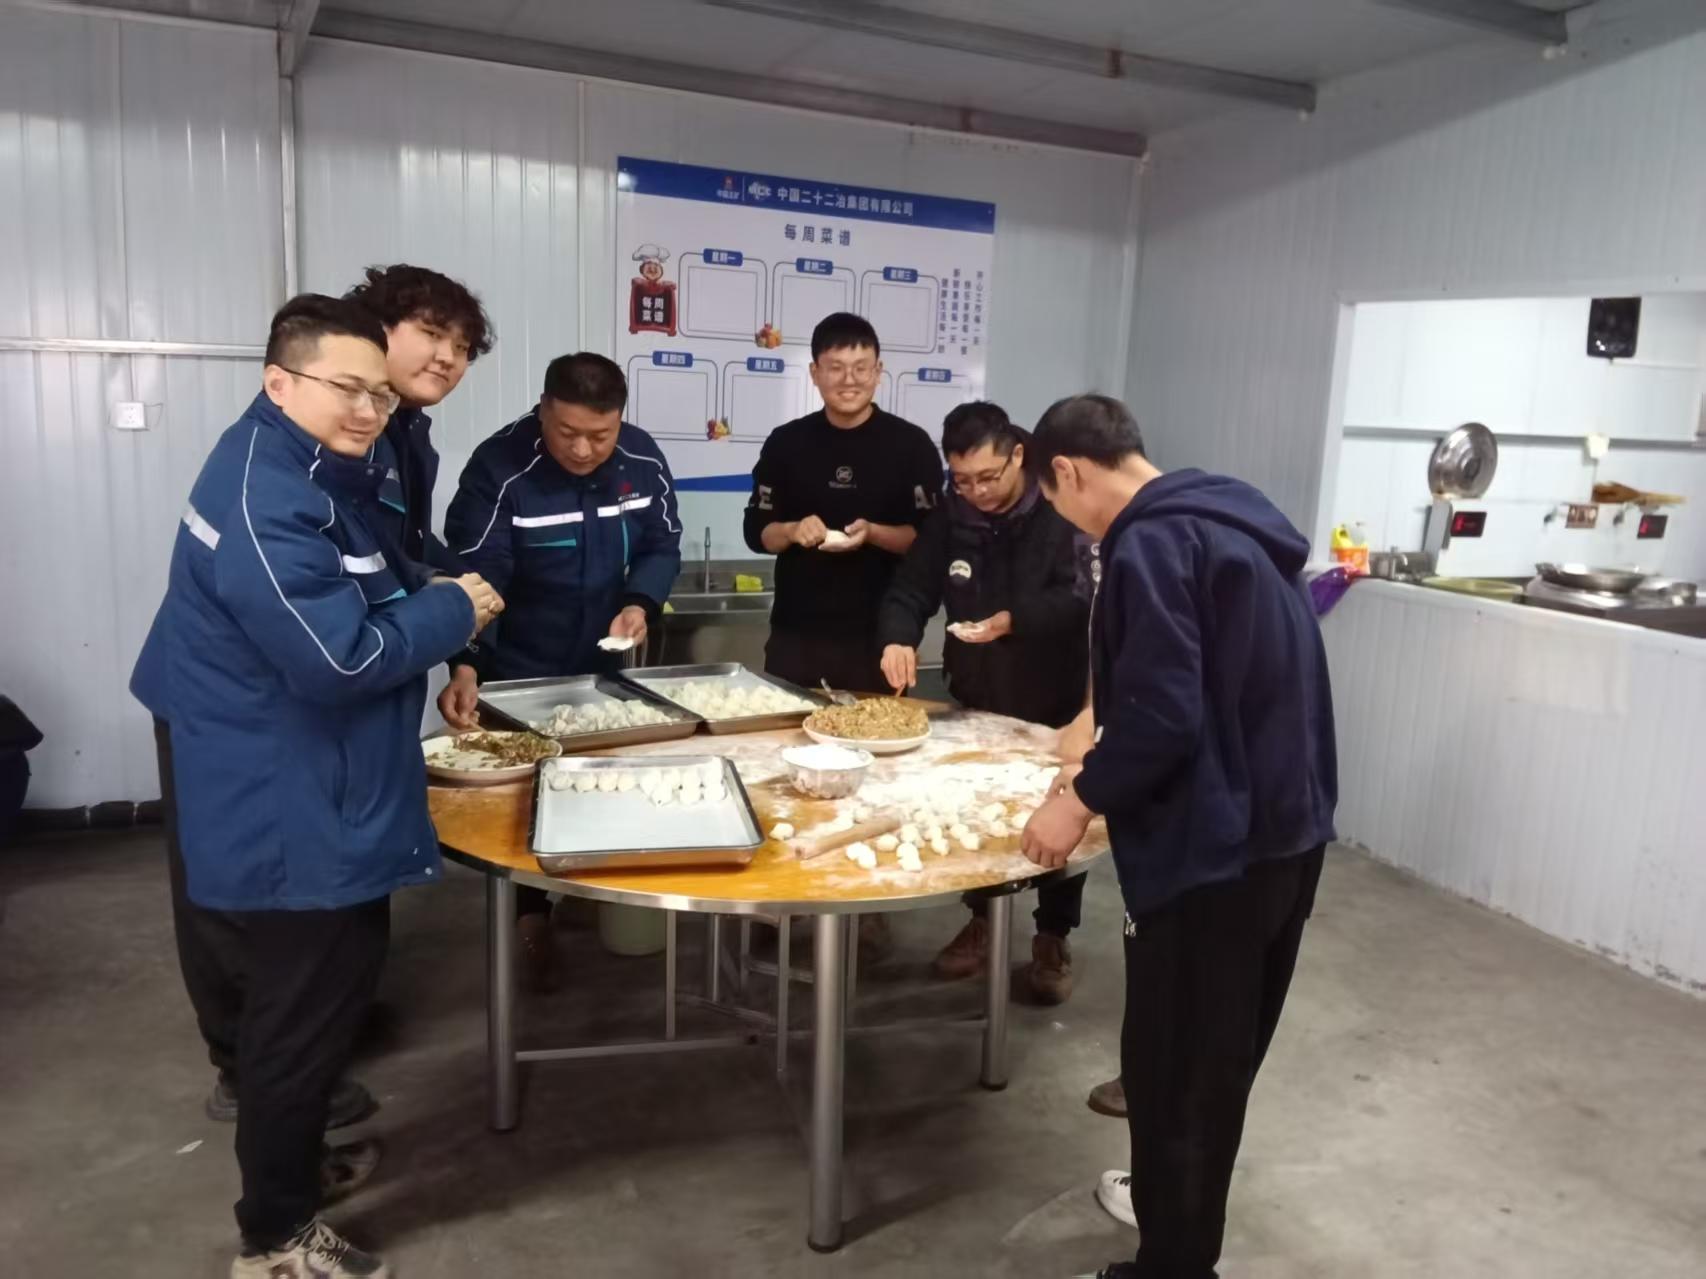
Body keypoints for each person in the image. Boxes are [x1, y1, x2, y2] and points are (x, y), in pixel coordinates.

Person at [131, 295, 503, 1278]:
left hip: (313, 772)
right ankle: (276, 1240)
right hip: (288, 791)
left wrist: (438, 598)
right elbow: (338, 659)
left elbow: (375, 566)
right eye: (348, 388)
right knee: (299, 1015)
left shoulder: (311, 464)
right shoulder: (270, 497)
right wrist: (453, 613)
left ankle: (291, 1171)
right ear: (279, 380)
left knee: (319, 1000)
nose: (368, 409)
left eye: (379, 394)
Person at [1017, 395, 1337, 1279]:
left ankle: (1175, 1263)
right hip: (1286, 837)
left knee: (1176, 1070)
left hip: (1213, 856)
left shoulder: (1150, 544)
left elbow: (1163, 715)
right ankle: (1170, 1202)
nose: (1067, 522)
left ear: (1067, 472)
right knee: (1215, 1061)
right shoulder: (1232, 523)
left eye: (1054, 500)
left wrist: (1078, 799)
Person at [440, 352, 682, 988]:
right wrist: (466, 664)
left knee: (603, 784)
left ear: (619, 420)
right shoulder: (500, 468)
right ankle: (528, 916)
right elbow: (474, 578)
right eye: (567, 431)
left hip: (605, 665)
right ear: (543, 409)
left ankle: (598, 889)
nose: (582, 449)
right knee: (524, 801)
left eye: (600, 435)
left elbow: (662, 543)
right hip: (521, 662)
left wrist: (640, 602)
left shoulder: (641, 458)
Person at [876, 401, 1090, 1004]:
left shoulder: (1059, 506)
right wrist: (897, 637)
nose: (977, 492)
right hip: (979, 693)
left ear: (1018, 456)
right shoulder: (955, 510)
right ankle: (983, 921)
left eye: (988, 478)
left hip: (1053, 695)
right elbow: (912, 586)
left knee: (1059, 815)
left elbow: (1081, 598)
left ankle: (1052, 935)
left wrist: (1012, 620)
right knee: (979, 812)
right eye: (962, 480)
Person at [743, 312, 943, 693]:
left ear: (878, 372)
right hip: (796, 638)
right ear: (815, 373)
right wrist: (792, 530)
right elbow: (758, 532)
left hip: (879, 640)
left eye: (861, 368)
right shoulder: (786, 443)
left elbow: (930, 542)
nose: (849, 380)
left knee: (881, 729)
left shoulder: (911, 446)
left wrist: (873, 533)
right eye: (836, 368)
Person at [344, 263, 494, 573]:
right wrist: (436, 585)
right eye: (432, 334)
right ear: (378, 328)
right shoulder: (341, 426)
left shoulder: (410, 427)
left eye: (461, 347)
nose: (448, 358)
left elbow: (414, 542)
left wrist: (468, 583)